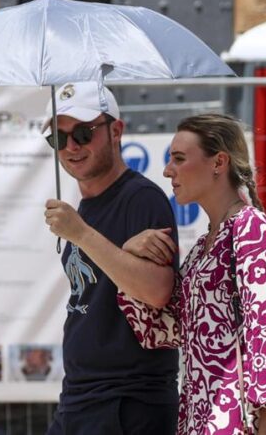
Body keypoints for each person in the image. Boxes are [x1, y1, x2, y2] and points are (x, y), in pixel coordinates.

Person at [119, 114, 266, 434]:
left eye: (179, 158)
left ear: (219, 162)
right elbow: (163, 330)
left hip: (236, 420)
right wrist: (128, 255)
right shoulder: (205, 244)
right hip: (200, 418)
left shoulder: (252, 229)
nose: (167, 170)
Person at [43, 82, 180, 435]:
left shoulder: (141, 199)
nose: (71, 146)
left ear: (116, 131)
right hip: (80, 398)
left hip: (127, 403)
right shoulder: (85, 208)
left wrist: (82, 234)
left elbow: (157, 290)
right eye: (58, 138)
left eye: (84, 133)